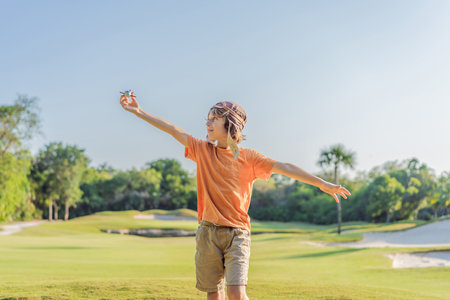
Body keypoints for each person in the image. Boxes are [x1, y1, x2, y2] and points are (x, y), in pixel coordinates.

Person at [120, 94, 351, 300]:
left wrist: (322, 183)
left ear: (229, 125)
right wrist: (139, 112)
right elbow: (172, 129)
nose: (207, 123)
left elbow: (285, 167)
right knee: (214, 293)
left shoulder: (250, 158)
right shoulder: (202, 150)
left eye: (214, 118)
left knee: (236, 294)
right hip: (208, 232)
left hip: (237, 234)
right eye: (208, 118)